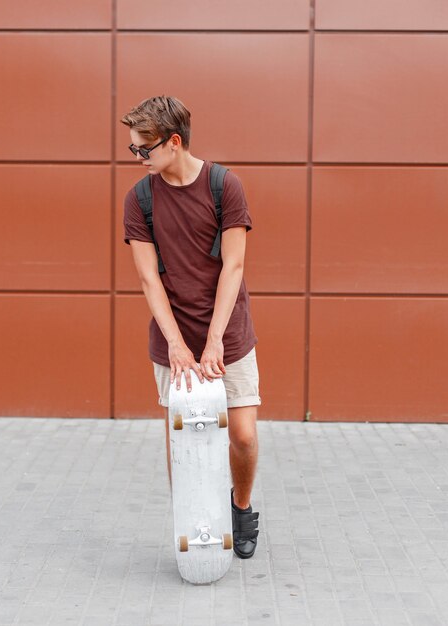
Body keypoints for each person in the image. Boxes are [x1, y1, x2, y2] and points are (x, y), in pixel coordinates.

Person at [121, 95, 260, 559]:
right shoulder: (140, 198)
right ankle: (192, 519)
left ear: (173, 142)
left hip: (229, 332)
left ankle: (240, 508)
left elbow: (233, 266)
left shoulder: (224, 186)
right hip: (173, 336)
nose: (137, 158)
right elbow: (147, 277)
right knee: (179, 438)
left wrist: (216, 337)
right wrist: (178, 344)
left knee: (240, 435)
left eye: (143, 149)